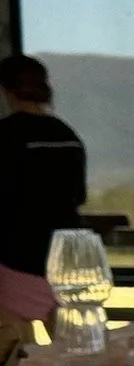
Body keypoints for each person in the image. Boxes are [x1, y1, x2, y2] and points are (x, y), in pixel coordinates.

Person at [0, 54, 85, 327]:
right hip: (65, 255)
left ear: (6, 91)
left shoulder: (5, 135)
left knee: (13, 351)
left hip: (14, 255)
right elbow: (78, 196)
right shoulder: (67, 136)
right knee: (72, 348)